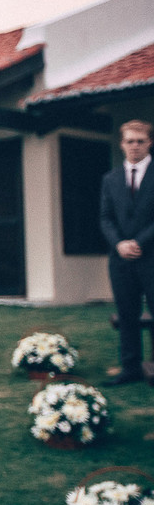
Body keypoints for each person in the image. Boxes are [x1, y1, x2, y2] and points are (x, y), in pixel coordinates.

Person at [100, 118, 154, 386]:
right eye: (130, 141)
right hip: (120, 260)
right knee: (127, 314)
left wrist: (139, 243)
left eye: (140, 141)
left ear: (149, 142)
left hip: (152, 257)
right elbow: (105, 218)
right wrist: (119, 244)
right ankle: (130, 369)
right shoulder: (110, 179)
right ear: (122, 144)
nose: (135, 146)